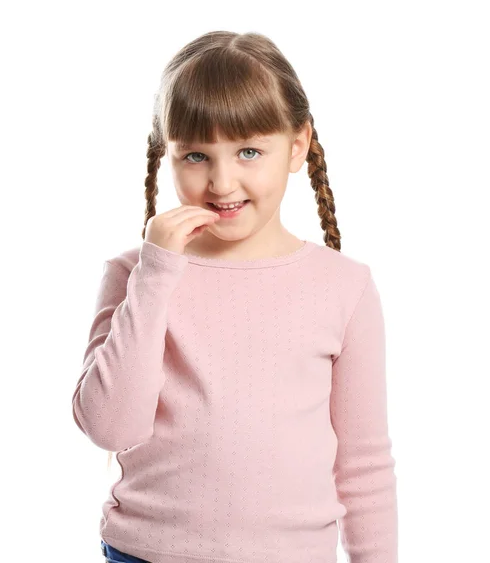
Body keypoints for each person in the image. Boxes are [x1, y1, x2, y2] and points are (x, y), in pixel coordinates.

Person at [72, 30, 398, 563]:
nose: (223, 182)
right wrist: (156, 275)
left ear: (297, 146)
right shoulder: (135, 274)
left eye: (249, 150)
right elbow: (111, 426)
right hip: (144, 553)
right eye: (197, 155)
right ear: (167, 156)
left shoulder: (346, 287)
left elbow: (363, 466)